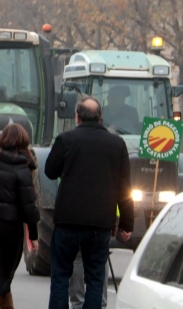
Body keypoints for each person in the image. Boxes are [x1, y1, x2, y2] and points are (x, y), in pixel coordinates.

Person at [45, 97, 133, 309]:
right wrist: (126, 225)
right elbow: (125, 189)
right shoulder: (117, 144)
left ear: (77, 116)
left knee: (60, 277)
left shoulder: (66, 139)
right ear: (101, 117)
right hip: (100, 224)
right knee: (95, 279)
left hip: (68, 220)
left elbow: (50, 171)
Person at [0, 123, 40, 309]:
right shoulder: (22, 169)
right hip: (10, 229)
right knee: (5, 277)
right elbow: (29, 207)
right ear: (24, 143)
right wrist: (34, 236)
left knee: (3, 275)